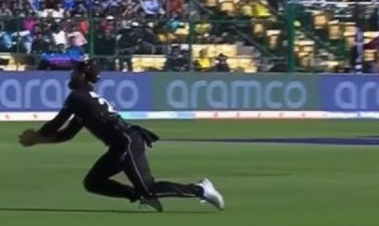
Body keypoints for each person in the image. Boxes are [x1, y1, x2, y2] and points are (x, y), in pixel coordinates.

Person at [18, 60, 224, 212]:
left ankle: (201, 190)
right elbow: (67, 134)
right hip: (119, 146)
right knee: (93, 182)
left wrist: (37, 136)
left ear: (83, 76)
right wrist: (40, 140)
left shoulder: (78, 97)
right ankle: (138, 195)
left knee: (150, 188)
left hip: (127, 142)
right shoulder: (84, 101)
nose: (71, 76)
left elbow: (56, 123)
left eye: (74, 72)